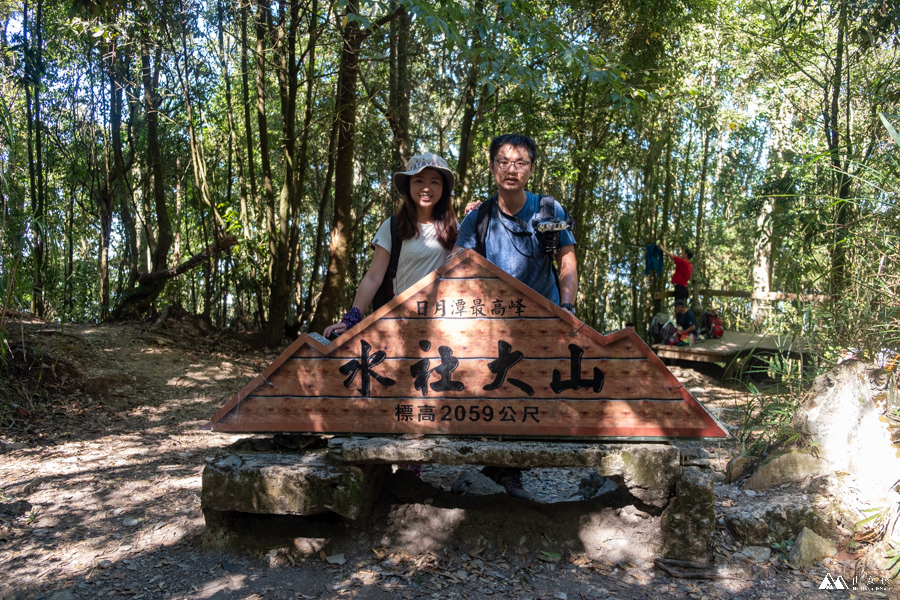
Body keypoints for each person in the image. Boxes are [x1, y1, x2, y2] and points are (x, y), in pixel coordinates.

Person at [453, 133, 578, 500]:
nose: (512, 169)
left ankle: (508, 467)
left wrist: (566, 307)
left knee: (533, 392)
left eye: (520, 162)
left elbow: (566, 258)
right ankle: (505, 469)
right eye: (504, 162)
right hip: (494, 323)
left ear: (531, 169)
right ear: (492, 167)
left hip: (543, 318)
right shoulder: (479, 217)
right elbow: (457, 268)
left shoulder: (548, 210)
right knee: (501, 389)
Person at [324, 152, 458, 338]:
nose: (426, 188)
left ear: (443, 188)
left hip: (443, 325)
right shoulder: (393, 227)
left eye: (435, 182)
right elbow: (373, 277)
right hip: (401, 324)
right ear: (409, 185)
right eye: (419, 180)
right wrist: (351, 319)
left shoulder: (455, 229)